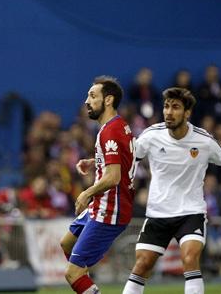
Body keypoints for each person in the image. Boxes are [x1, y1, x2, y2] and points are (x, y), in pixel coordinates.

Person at [122, 87, 221, 294]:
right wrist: (102, 166)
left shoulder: (204, 140)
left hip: (191, 212)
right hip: (158, 213)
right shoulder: (151, 136)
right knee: (142, 264)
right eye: (166, 106)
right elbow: (127, 159)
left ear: (187, 113)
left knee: (189, 258)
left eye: (176, 107)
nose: (169, 112)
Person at [59, 77, 136, 294]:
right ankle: (86, 284)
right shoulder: (117, 126)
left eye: (93, 96)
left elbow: (113, 177)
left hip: (110, 209)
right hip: (102, 206)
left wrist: (86, 193)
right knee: (66, 244)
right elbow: (126, 156)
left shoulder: (110, 131)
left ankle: (83, 281)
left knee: (71, 274)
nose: (86, 101)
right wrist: (95, 161)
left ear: (108, 100)